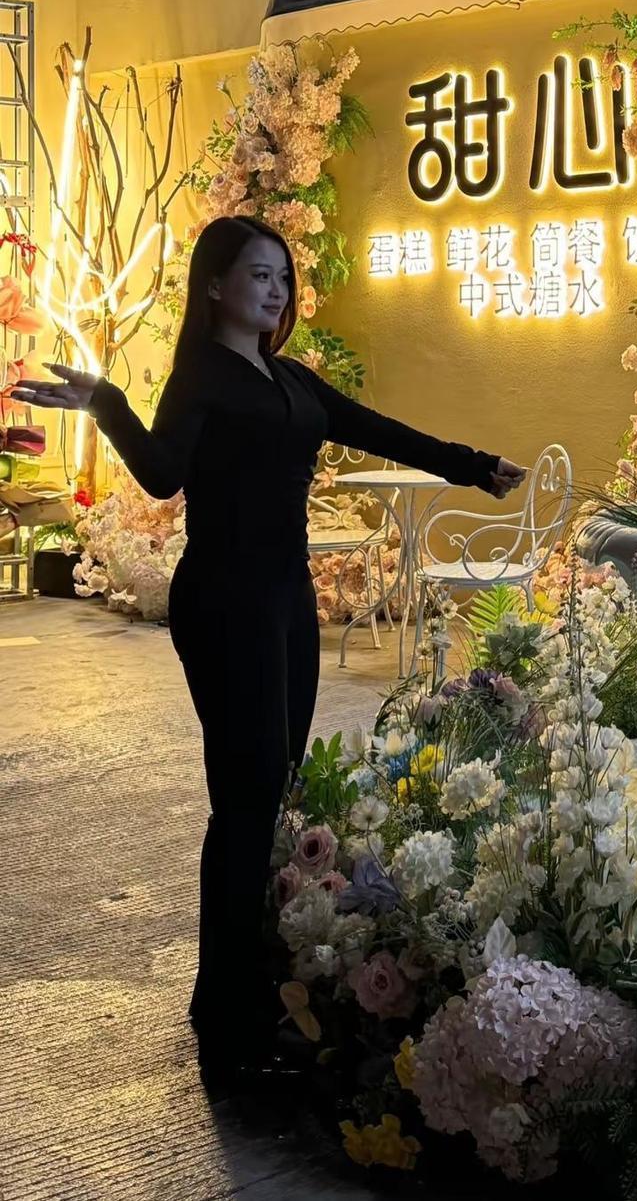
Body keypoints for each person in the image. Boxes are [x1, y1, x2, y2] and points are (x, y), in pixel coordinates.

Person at [12, 216, 525, 1087]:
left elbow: (375, 428)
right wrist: (106, 401)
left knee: (273, 791)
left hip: (286, 602)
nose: (276, 289)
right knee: (244, 806)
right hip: (225, 601)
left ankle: (237, 994)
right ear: (214, 285)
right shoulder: (201, 376)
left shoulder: (288, 377)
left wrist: (472, 464)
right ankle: (226, 1024)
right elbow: (162, 473)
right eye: (259, 274)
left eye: (283, 276)